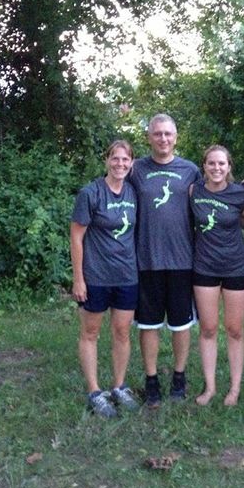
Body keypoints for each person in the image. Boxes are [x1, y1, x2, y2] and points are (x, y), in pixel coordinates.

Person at [129, 114, 201, 407]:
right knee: (148, 325)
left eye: (168, 134)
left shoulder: (191, 170)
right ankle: (151, 380)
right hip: (146, 259)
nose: (163, 139)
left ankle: (179, 378)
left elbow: (217, 190)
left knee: (180, 325)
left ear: (176, 136)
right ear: (148, 137)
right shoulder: (135, 170)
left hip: (183, 259)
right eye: (157, 134)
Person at [70, 139, 140, 418]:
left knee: (122, 332)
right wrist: (78, 278)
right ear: (107, 161)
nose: (120, 164)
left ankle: (119, 387)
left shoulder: (133, 193)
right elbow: (76, 236)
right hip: (96, 275)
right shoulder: (91, 193)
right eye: (115, 158)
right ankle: (95, 392)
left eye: (125, 160)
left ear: (131, 163)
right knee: (90, 333)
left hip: (126, 274)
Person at [190, 145, 244, 406]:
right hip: (204, 267)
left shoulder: (242, 194)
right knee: (208, 328)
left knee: (235, 330)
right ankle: (211, 387)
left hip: (236, 267)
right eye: (211, 163)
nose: (216, 168)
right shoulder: (194, 191)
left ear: (229, 167)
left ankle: (235, 389)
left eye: (221, 164)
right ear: (203, 166)